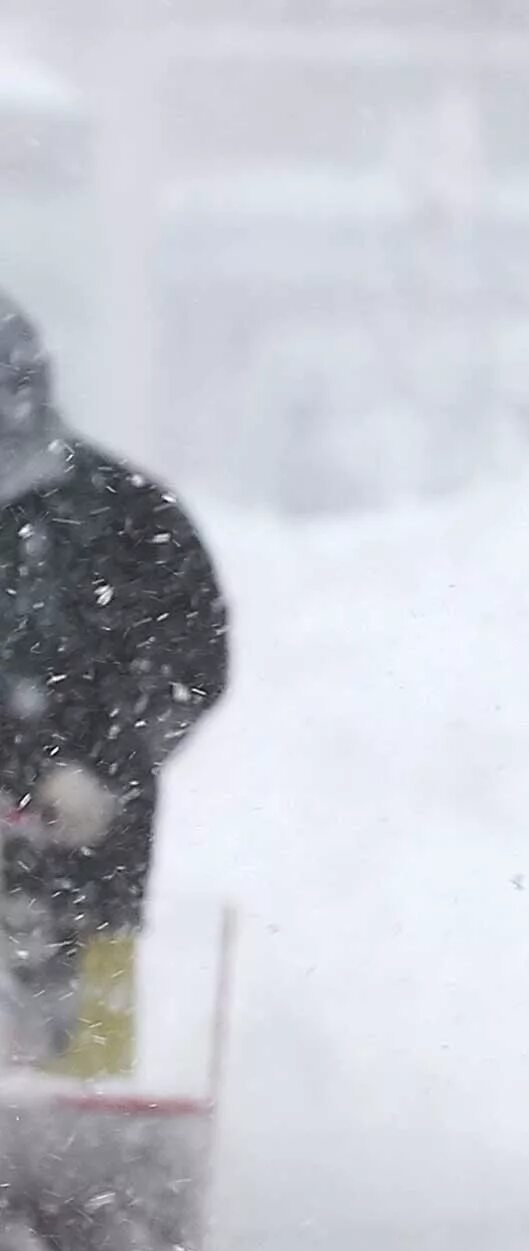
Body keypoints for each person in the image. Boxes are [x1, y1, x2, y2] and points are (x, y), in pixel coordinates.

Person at [0, 291, 228, 1073]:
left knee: (88, 1028)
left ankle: (88, 1146)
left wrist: (106, 766)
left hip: (91, 838)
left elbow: (192, 660)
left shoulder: (125, 515)